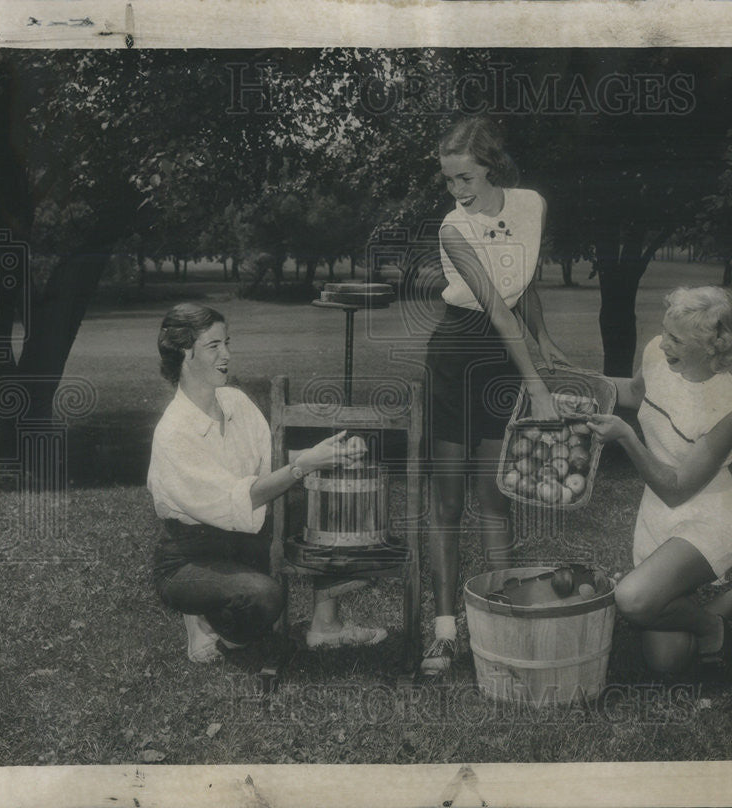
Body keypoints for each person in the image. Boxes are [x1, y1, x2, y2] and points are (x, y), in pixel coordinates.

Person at [148, 303, 387, 663]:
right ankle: (208, 623)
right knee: (264, 598)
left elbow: (268, 463)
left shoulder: (234, 401)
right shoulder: (172, 432)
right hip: (190, 557)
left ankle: (326, 626)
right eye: (214, 346)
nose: (227, 355)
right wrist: (304, 465)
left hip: (245, 537)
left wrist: (327, 453)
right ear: (186, 353)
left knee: (330, 506)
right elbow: (239, 498)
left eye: (227, 343)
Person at [422, 116, 570, 674]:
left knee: (495, 499)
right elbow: (493, 303)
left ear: (490, 165)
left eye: (466, 178)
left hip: (505, 357)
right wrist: (535, 384)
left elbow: (523, 279)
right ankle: (442, 632)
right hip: (458, 356)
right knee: (449, 503)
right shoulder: (451, 228)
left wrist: (545, 338)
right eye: (449, 181)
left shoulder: (529, 204)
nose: (458, 191)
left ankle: (502, 625)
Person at [586, 286, 732, 676]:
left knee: (634, 600)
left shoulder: (731, 408)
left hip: (706, 517)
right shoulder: (659, 353)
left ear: (712, 346)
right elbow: (633, 391)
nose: (664, 344)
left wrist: (626, 436)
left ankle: (712, 628)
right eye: (665, 332)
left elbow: (676, 488)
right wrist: (577, 382)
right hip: (658, 513)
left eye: (676, 339)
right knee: (667, 662)